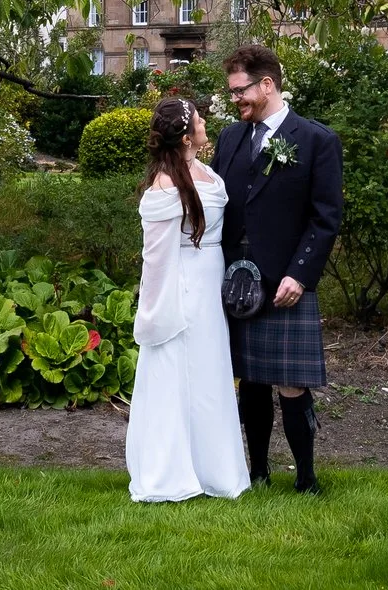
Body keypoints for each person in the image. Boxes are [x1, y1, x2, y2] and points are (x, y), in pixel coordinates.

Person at [212, 42, 344, 493]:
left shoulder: (315, 140)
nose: (235, 100)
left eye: (240, 91)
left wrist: (300, 275)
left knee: (290, 382)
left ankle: (306, 478)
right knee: (249, 381)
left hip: (285, 279)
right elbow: (217, 206)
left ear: (267, 85)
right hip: (235, 281)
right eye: (232, 93)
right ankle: (258, 471)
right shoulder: (231, 138)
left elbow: (325, 217)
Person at [125, 96, 252, 502]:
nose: (204, 123)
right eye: (199, 120)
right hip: (182, 289)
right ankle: (169, 473)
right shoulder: (165, 186)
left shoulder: (205, 173)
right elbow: (156, 258)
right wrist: (156, 312)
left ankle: (214, 470)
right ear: (185, 136)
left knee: (209, 375)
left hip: (210, 283)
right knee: (176, 375)